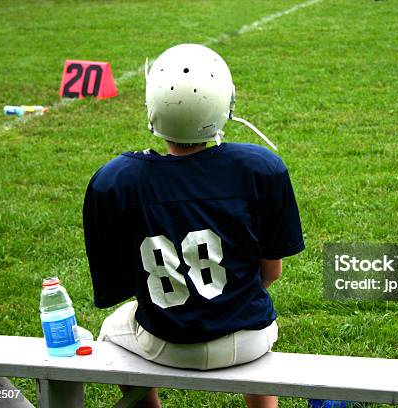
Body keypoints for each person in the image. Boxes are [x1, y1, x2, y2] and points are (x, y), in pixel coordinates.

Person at [83, 44, 304, 408]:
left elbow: (124, 286)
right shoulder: (260, 168)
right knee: (255, 327)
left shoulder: (115, 181)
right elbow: (271, 273)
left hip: (169, 343)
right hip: (250, 339)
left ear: (153, 106)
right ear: (224, 104)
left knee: (111, 330)